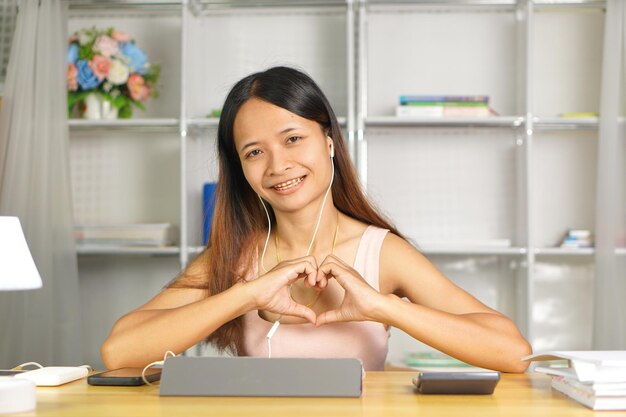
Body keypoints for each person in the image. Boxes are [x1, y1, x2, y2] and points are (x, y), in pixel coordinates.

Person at [101, 66, 532, 372]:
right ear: (241, 168)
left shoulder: (381, 253)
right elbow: (120, 351)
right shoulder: (235, 256)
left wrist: (382, 307)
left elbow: (512, 351)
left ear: (328, 142)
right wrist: (247, 295)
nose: (277, 165)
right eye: (254, 152)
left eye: (293, 139)